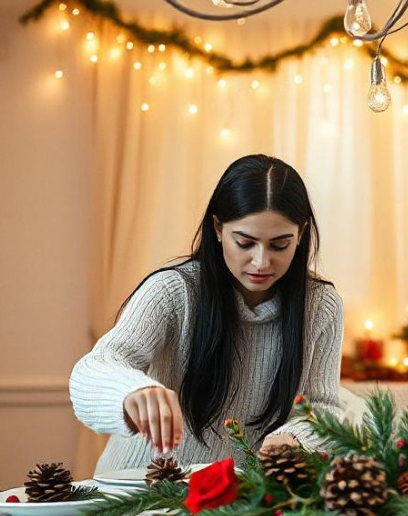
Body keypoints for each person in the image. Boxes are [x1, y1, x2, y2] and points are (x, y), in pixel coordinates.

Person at [70, 154, 344, 473]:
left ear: (301, 234)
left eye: (279, 245)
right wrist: (131, 390)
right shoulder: (174, 290)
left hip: (238, 499)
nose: (261, 262)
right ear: (217, 228)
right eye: (245, 243)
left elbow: (322, 408)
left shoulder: (321, 305)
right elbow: (96, 367)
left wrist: (293, 439)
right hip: (141, 487)